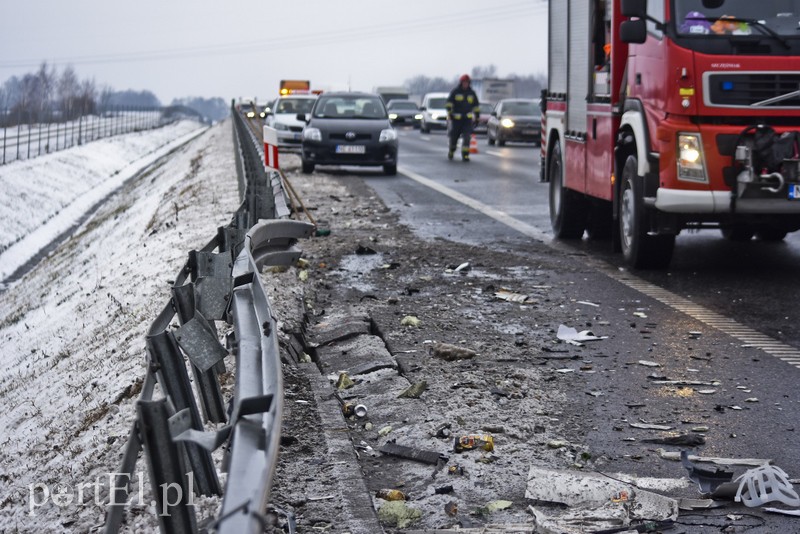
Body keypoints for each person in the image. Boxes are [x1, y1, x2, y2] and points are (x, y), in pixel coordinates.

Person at [445, 74, 480, 161]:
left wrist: (477, 117)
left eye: (467, 83)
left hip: (467, 120)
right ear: (461, 83)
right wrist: (450, 112)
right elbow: (449, 103)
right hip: (456, 120)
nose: (465, 84)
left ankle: (465, 155)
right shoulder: (455, 92)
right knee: (454, 137)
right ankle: (451, 151)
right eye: (464, 82)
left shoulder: (472, 93)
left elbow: (476, 106)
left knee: (467, 137)